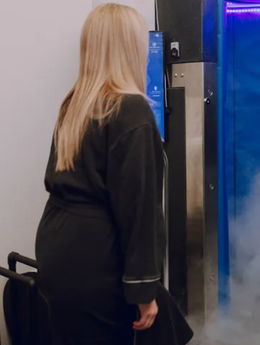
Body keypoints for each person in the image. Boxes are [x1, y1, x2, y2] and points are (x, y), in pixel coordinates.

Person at [35, 4, 192, 345]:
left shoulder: (74, 104)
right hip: (98, 264)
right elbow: (139, 210)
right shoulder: (130, 109)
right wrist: (144, 290)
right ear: (128, 48)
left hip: (57, 253)